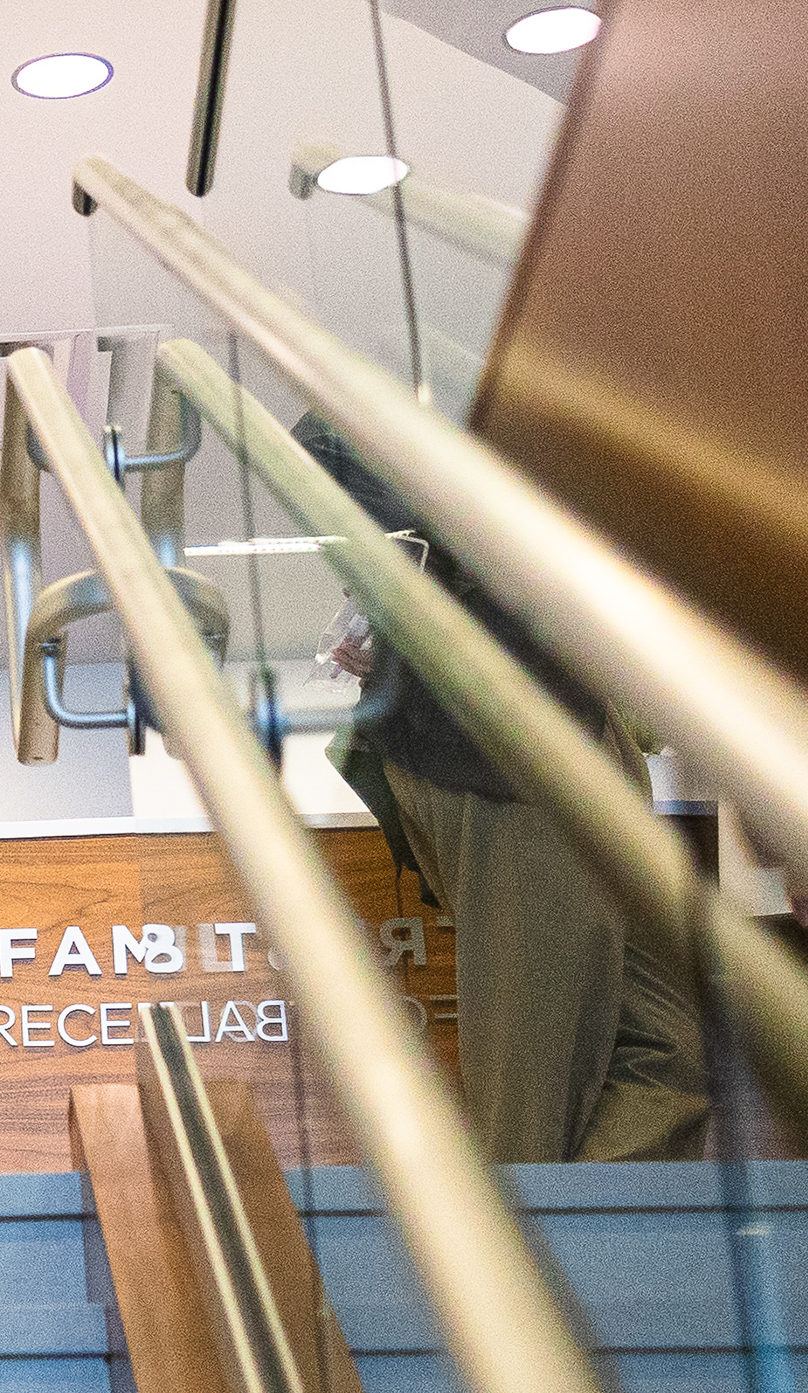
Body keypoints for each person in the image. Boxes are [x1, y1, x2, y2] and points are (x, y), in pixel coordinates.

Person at [299, 412, 707, 1164]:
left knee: (672, 1050)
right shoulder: (439, 443)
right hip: (509, 761)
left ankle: (579, 1252)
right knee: (533, 1084)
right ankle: (514, 1272)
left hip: (573, 739)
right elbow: (328, 447)